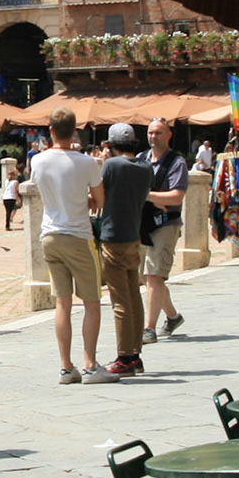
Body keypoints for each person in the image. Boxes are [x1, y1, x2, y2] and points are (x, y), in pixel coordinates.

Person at [31, 109, 115, 385]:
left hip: (50, 236)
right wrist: (85, 201)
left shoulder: (38, 161)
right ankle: (90, 364)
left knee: (62, 303)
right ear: (74, 130)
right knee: (92, 301)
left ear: (51, 131)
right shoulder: (87, 162)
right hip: (78, 235)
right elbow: (99, 201)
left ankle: (66, 367)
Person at [97, 124, 152, 377]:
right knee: (134, 298)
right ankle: (136, 354)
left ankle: (124, 357)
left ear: (110, 145)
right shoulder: (145, 167)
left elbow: (100, 195)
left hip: (113, 236)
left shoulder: (112, 166)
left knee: (119, 301)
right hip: (133, 236)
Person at [139, 117, 188, 343]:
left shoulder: (176, 162)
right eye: (150, 132)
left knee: (153, 274)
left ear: (169, 135)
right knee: (150, 278)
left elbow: (176, 196)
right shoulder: (141, 159)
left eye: (158, 132)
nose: (153, 137)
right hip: (144, 224)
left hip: (166, 223)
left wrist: (146, 195)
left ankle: (148, 328)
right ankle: (173, 316)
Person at [0, 157, 22, 231]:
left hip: (5, 198)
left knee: (7, 212)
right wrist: (18, 199)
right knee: (9, 212)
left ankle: (7, 224)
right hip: (11, 198)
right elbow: (15, 191)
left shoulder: (7, 181)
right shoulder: (15, 182)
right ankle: (7, 225)